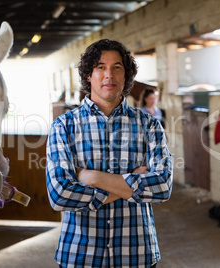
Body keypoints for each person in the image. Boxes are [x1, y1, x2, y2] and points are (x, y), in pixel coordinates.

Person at [46, 39, 173, 268]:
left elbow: (162, 187)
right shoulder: (64, 126)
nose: (109, 75)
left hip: (136, 254)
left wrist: (91, 177)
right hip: (80, 254)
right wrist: (128, 185)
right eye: (100, 67)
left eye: (117, 67)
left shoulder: (150, 125)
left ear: (126, 76)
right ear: (88, 75)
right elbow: (59, 195)